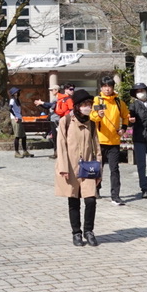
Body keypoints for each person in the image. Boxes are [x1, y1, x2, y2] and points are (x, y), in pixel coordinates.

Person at [55, 89, 101, 246]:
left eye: (89, 104)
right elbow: (60, 145)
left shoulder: (92, 124)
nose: (87, 107)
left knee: (91, 201)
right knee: (73, 201)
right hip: (70, 167)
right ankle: (76, 233)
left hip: (88, 167)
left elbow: (97, 148)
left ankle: (89, 231)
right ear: (77, 106)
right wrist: (63, 167)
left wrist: (99, 170)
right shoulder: (66, 121)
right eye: (84, 104)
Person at [91, 76, 130, 205]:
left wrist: (123, 128)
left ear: (113, 87)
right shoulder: (97, 100)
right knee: (98, 168)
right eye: (104, 86)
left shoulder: (119, 102)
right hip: (100, 140)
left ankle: (116, 195)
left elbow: (126, 116)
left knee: (114, 169)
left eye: (109, 86)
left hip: (114, 141)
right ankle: (96, 189)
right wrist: (98, 115)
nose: (107, 89)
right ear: (101, 88)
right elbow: (92, 116)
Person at [10, 87, 31, 158]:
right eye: (15, 92)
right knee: (17, 136)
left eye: (17, 92)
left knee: (24, 136)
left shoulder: (17, 100)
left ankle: (25, 151)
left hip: (19, 118)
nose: (17, 93)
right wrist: (15, 116)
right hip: (15, 119)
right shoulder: (12, 100)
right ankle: (16, 152)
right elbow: (10, 108)